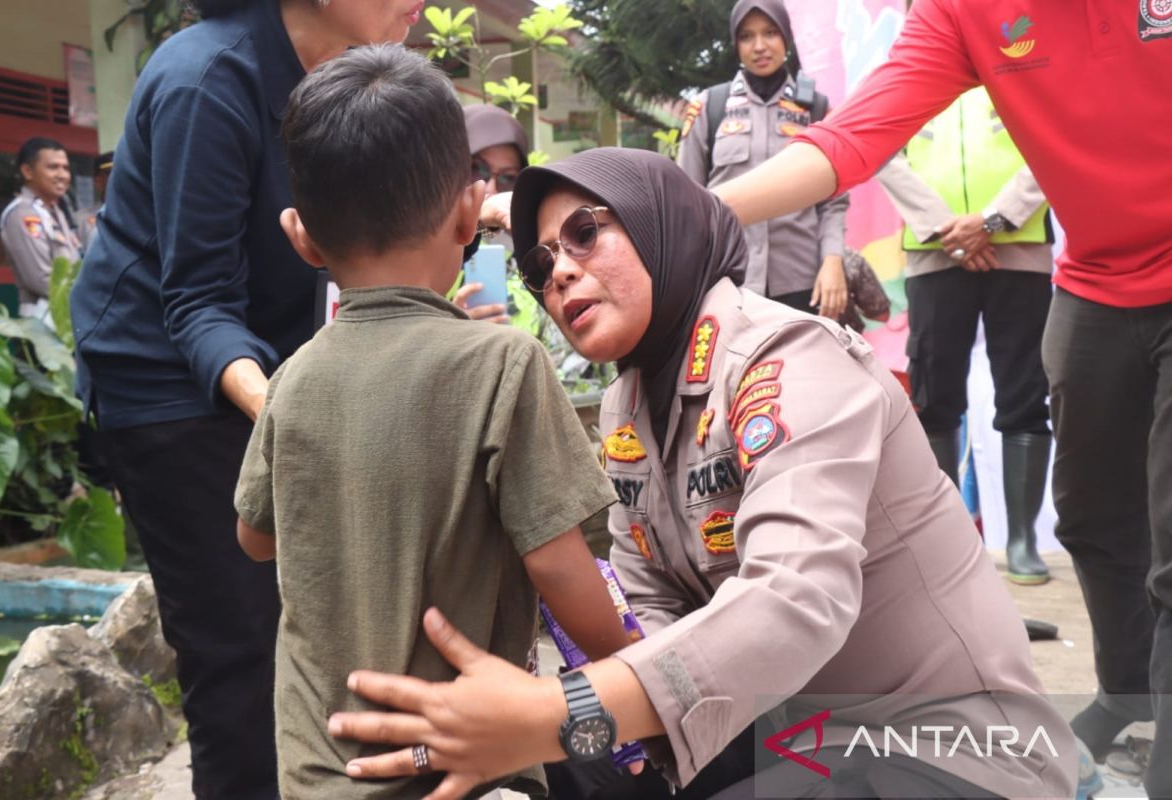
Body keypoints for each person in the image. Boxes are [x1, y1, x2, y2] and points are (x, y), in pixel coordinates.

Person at [324, 148, 1076, 800]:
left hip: (945, 754)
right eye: (541, 263)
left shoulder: (787, 358)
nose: (561, 273)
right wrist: (536, 723)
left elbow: (795, 599)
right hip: (793, 737)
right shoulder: (628, 403)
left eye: (586, 232)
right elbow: (648, 610)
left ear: (660, 222)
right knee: (575, 774)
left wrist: (559, 712)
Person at [703, 1, 1172, 789]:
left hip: (1072, 260)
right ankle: (1130, 691)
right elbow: (856, 136)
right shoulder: (963, 10)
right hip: (1093, 283)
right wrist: (682, 209)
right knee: (1093, 514)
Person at [232, 46, 630, 800]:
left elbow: (255, 537)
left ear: (302, 238)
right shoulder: (502, 365)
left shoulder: (292, 378)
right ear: (465, 213)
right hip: (469, 772)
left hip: (318, 774)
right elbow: (559, 565)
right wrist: (637, 673)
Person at [67, 1, 425, 796]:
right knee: (237, 649)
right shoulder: (207, 79)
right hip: (161, 381)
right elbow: (195, 302)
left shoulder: (342, 77)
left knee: (317, 624)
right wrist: (294, 421)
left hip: (268, 361)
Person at [876, 86, 1053, 585]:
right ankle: (948, 544)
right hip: (933, 254)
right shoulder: (904, 80)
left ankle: (1022, 541)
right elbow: (882, 153)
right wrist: (944, 229)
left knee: (1025, 390)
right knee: (934, 396)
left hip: (1017, 247)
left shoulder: (1019, 66)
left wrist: (994, 221)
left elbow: (1049, 140)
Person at [677, 0, 850, 320]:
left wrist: (833, 260)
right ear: (736, 44)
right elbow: (685, 201)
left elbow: (833, 202)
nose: (759, 46)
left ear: (786, 37)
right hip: (727, 281)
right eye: (747, 36)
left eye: (770, 33)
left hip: (803, 282)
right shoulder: (709, 107)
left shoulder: (815, 109)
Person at [450, 104, 546, 337]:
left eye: (507, 177)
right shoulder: (420, 241)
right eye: (476, 168)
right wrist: (448, 328)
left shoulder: (536, 242)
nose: (490, 187)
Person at [0, 137, 79, 322]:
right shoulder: (23, 214)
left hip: (68, 319)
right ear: (28, 171)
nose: (62, 175)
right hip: (42, 325)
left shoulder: (56, 211)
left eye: (65, 168)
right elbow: (41, 280)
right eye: (53, 167)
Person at [75, 151, 113, 255]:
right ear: (98, 181)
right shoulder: (80, 219)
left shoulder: (140, 216)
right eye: (111, 172)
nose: (119, 177)